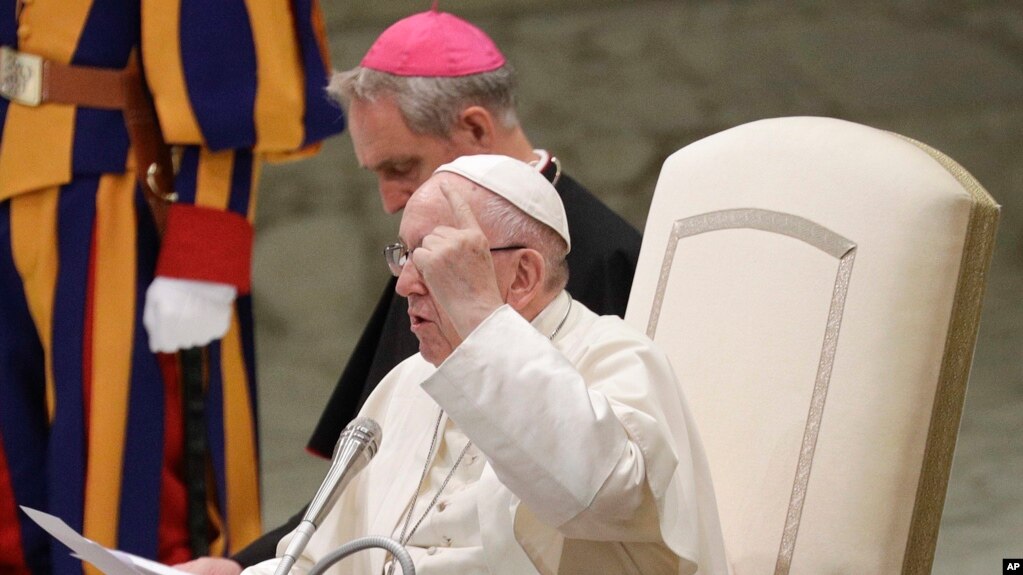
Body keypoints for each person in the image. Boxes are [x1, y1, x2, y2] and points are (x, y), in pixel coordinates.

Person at [179, 8, 642, 574]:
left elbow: (598, 497)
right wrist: (247, 566)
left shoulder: (605, 265)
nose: (389, 199)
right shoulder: (432, 247)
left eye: (402, 166)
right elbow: (380, 480)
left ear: (474, 129)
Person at [242, 154, 727, 575]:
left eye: (437, 258)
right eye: (405, 255)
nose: (405, 284)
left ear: (523, 275)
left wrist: (478, 317)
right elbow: (317, 561)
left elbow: (596, 495)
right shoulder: (406, 382)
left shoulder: (616, 357)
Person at [0, 2, 341, 573]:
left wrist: (208, 240)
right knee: (17, 482)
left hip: (123, 187)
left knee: (137, 493)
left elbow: (227, 55)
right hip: (18, 172)